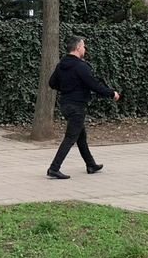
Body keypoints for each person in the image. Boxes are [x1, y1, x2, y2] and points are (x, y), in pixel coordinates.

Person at [46, 35, 120, 180]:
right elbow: (93, 85)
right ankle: (54, 168)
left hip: (65, 105)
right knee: (70, 137)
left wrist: (67, 88)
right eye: (84, 46)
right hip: (77, 106)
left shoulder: (61, 65)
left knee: (81, 136)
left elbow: (52, 83)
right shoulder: (81, 66)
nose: (85, 49)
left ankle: (91, 165)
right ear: (78, 47)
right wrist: (112, 93)